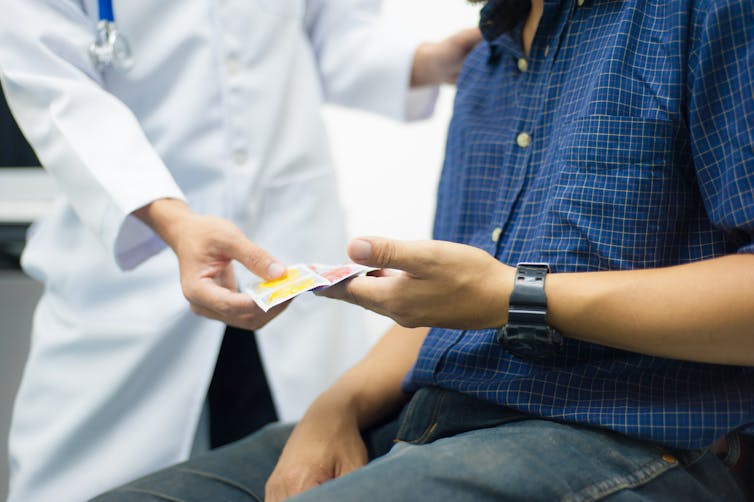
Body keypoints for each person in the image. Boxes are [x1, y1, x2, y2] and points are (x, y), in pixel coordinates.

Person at [94, 0, 754, 500]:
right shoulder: (492, 56)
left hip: (640, 435)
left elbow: (491, 297)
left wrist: (514, 297)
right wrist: (339, 405)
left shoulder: (706, 17)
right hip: (439, 413)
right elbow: (457, 306)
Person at [0, 1, 481, 500]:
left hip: (286, 251)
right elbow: (51, 83)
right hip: (134, 256)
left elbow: (335, 33)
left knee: (299, 472)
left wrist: (427, 61)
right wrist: (172, 220)